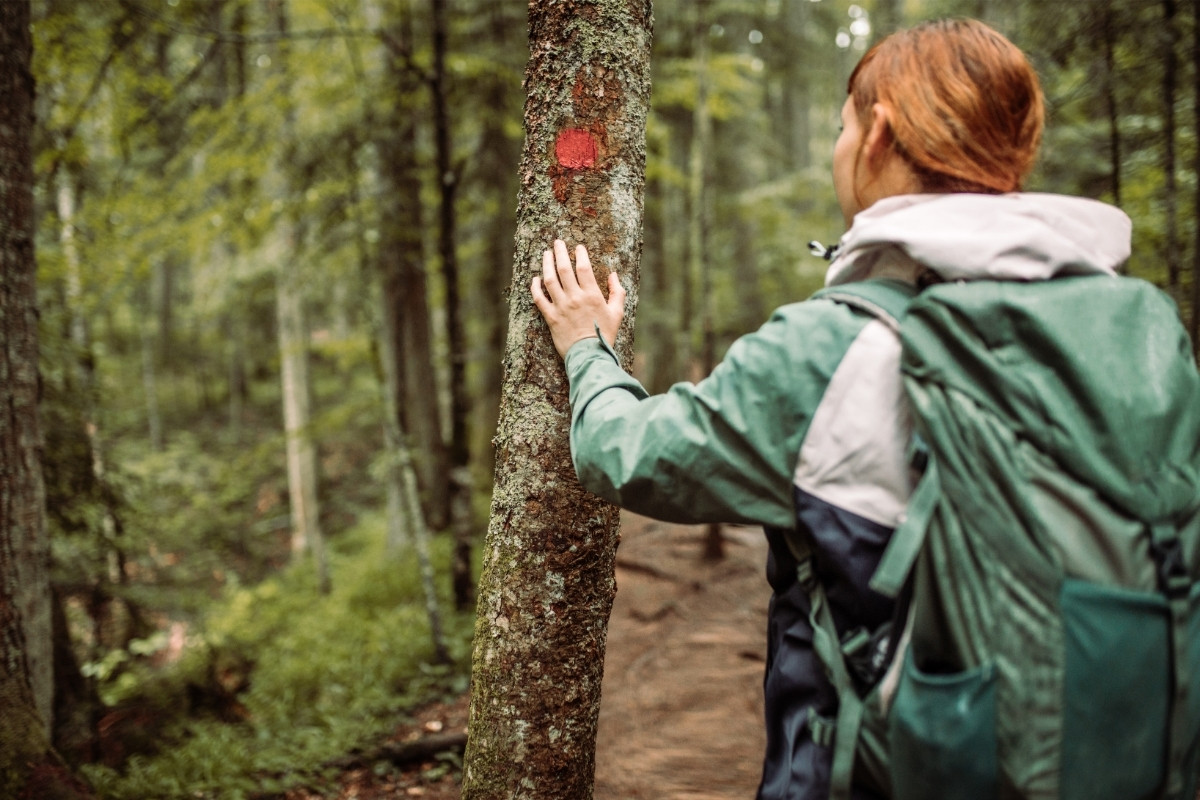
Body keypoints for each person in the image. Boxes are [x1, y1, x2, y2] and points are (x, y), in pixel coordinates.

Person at [530, 19, 1132, 800]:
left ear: (878, 134)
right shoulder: (1128, 329)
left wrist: (587, 349)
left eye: (843, 126)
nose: (838, 148)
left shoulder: (832, 344)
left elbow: (627, 452)